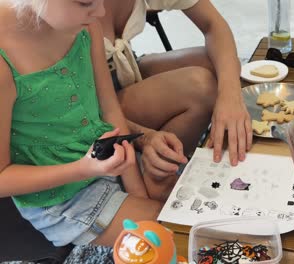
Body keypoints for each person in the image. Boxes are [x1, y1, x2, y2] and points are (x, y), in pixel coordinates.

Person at [0, 0, 165, 247]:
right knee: (171, 235)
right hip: (60, 199)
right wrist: (85, 168)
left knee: (181, 204)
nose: (100, 11)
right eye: (86, 2)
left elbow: (110, 110)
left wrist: (137, 191)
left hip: (103, 158)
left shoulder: (87, 24)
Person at [99, 0, 253, 201]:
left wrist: (230, 96)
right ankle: (157, 170)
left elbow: (213, 24)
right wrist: (145, 136)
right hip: (86, 98)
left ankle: (168, 161)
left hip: (123, 67)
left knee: (217, 65)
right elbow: (75, 107)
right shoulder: (62, 10)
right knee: (201, 86)